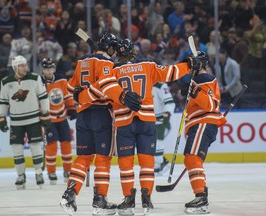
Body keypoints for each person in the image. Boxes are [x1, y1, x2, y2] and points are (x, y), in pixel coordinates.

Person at [76, 38, 196, 216]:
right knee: (147, 164)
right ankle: (146, 199)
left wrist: (80, 96)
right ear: (133, 50)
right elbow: (171, 72)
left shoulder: (112, 70)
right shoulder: (148, 65)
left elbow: (100, 93)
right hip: (147, 120)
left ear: (117, 52)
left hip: (124, 124)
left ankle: (129, 201)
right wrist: (190, 64)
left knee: (126, 165)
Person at [59, 32, 141, 216]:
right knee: (103, 158)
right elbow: (107, 85)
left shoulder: (81, 62)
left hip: (82, 115)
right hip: (101, 114)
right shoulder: (107, 63)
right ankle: (100, 201)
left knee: (83, 158)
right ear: (110, 48)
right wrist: (123, 96)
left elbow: (71, 89)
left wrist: (82, 94)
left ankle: (69, 194)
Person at [180, 51, 227, 214]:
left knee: (192, 157)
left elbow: (209, 105)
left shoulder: (205, 79)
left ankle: (201, 198)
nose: (190, 66)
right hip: (199, 123)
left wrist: (193, 91)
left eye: (193, 63)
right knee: (191, 158)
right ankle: (201, 193)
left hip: (204, 122)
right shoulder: (197, 80)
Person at [0, 55, 51, 190]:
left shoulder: (34, 78)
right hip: (16, 121)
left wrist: (45, 113)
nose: (24, 67)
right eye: (21, 65)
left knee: (35, 146)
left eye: (25, 65)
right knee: (16, 149)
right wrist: (2, 117)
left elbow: (43, 97)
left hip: (33, 119)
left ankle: (39, 173)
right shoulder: (6, 82)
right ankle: (21, 175)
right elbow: (3, 101)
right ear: (15, 67)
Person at [41, 58, 76, 185]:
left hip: (62, 118)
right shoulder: (39, 82)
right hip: (48, 120)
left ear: (54, 69)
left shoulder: (61, 79)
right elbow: (38, 101)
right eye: (46, 69)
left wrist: (71, 108)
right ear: (43, 70)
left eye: (50, 68)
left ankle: (68, 171)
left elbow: (67, 96)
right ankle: (51, 172)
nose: (49, 71)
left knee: (66, 144)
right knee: (51, 146)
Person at [152, 82, 175, 173]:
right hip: (148, 120)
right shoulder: (142, 84)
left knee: (157, 142)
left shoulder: (160, 86)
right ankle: (163, 162)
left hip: (161, 121)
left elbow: (170, 102)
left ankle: (159, 164)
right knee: (149, 144)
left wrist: (168, 112)